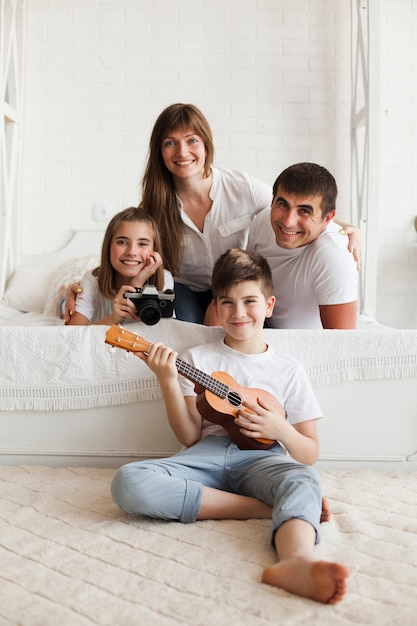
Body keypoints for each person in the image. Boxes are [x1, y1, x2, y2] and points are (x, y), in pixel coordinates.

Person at [110, 248, 350, 604]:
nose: (239, 313)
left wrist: (279, 428)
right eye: (227, 303)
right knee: (127, 482)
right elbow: (190, 436)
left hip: (263, 458)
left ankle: (297, 561)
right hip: (205, 455)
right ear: (216, 308)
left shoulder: (289, 369)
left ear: (269, 305)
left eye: (249, 301)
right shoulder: (199, 359)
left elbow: (309, 453)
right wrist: (167, 380)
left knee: (304, 479)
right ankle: (263, 508)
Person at [63, 104, 360, 325]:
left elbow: (290, 208)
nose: (182, 151)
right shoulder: (154, 205)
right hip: (187, 289)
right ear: (159, 151)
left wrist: (345, 227)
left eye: (192, 140)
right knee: (186, 335)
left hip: (236, 285)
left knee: (247, 332)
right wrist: (78, 286)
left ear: (205, 144)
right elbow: (129, 250)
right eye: (170, 143)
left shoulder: (242, 187)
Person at [246, 162, 358, 329]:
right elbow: (245, 283)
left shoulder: (333, 256)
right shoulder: (264, 220)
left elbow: (342, 344)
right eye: (282, 204)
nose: (288, 222)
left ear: (327, 218)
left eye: (304, 210)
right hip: (264, 327)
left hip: (306, 345)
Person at [67, 207, 173, 326]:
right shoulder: (92, 280)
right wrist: (113, 319)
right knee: (66, 305)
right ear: (108, 246)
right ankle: (61, 296)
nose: (132, 252)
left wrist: (136, 284)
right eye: (122, 242)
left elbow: (161, 332)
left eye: (142, 244)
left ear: (154, 249)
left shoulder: (164, 278)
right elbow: (73, 334)